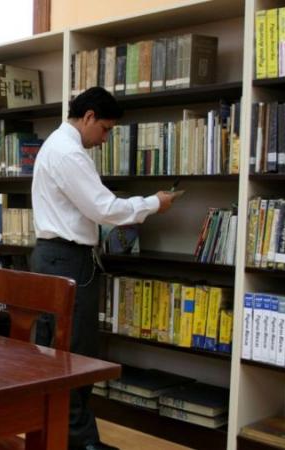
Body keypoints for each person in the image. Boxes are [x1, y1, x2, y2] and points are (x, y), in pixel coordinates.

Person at [31, 87, 177, 450]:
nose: (105, 138)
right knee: (75, 353)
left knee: (52, 351)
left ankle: (57, 434)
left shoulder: (56, 145)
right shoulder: (69, 153)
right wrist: (152, 204)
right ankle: (82, 442)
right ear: (89, 117)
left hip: (51, 256)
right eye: (106, 129)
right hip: (68, 259)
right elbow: (105, 209)